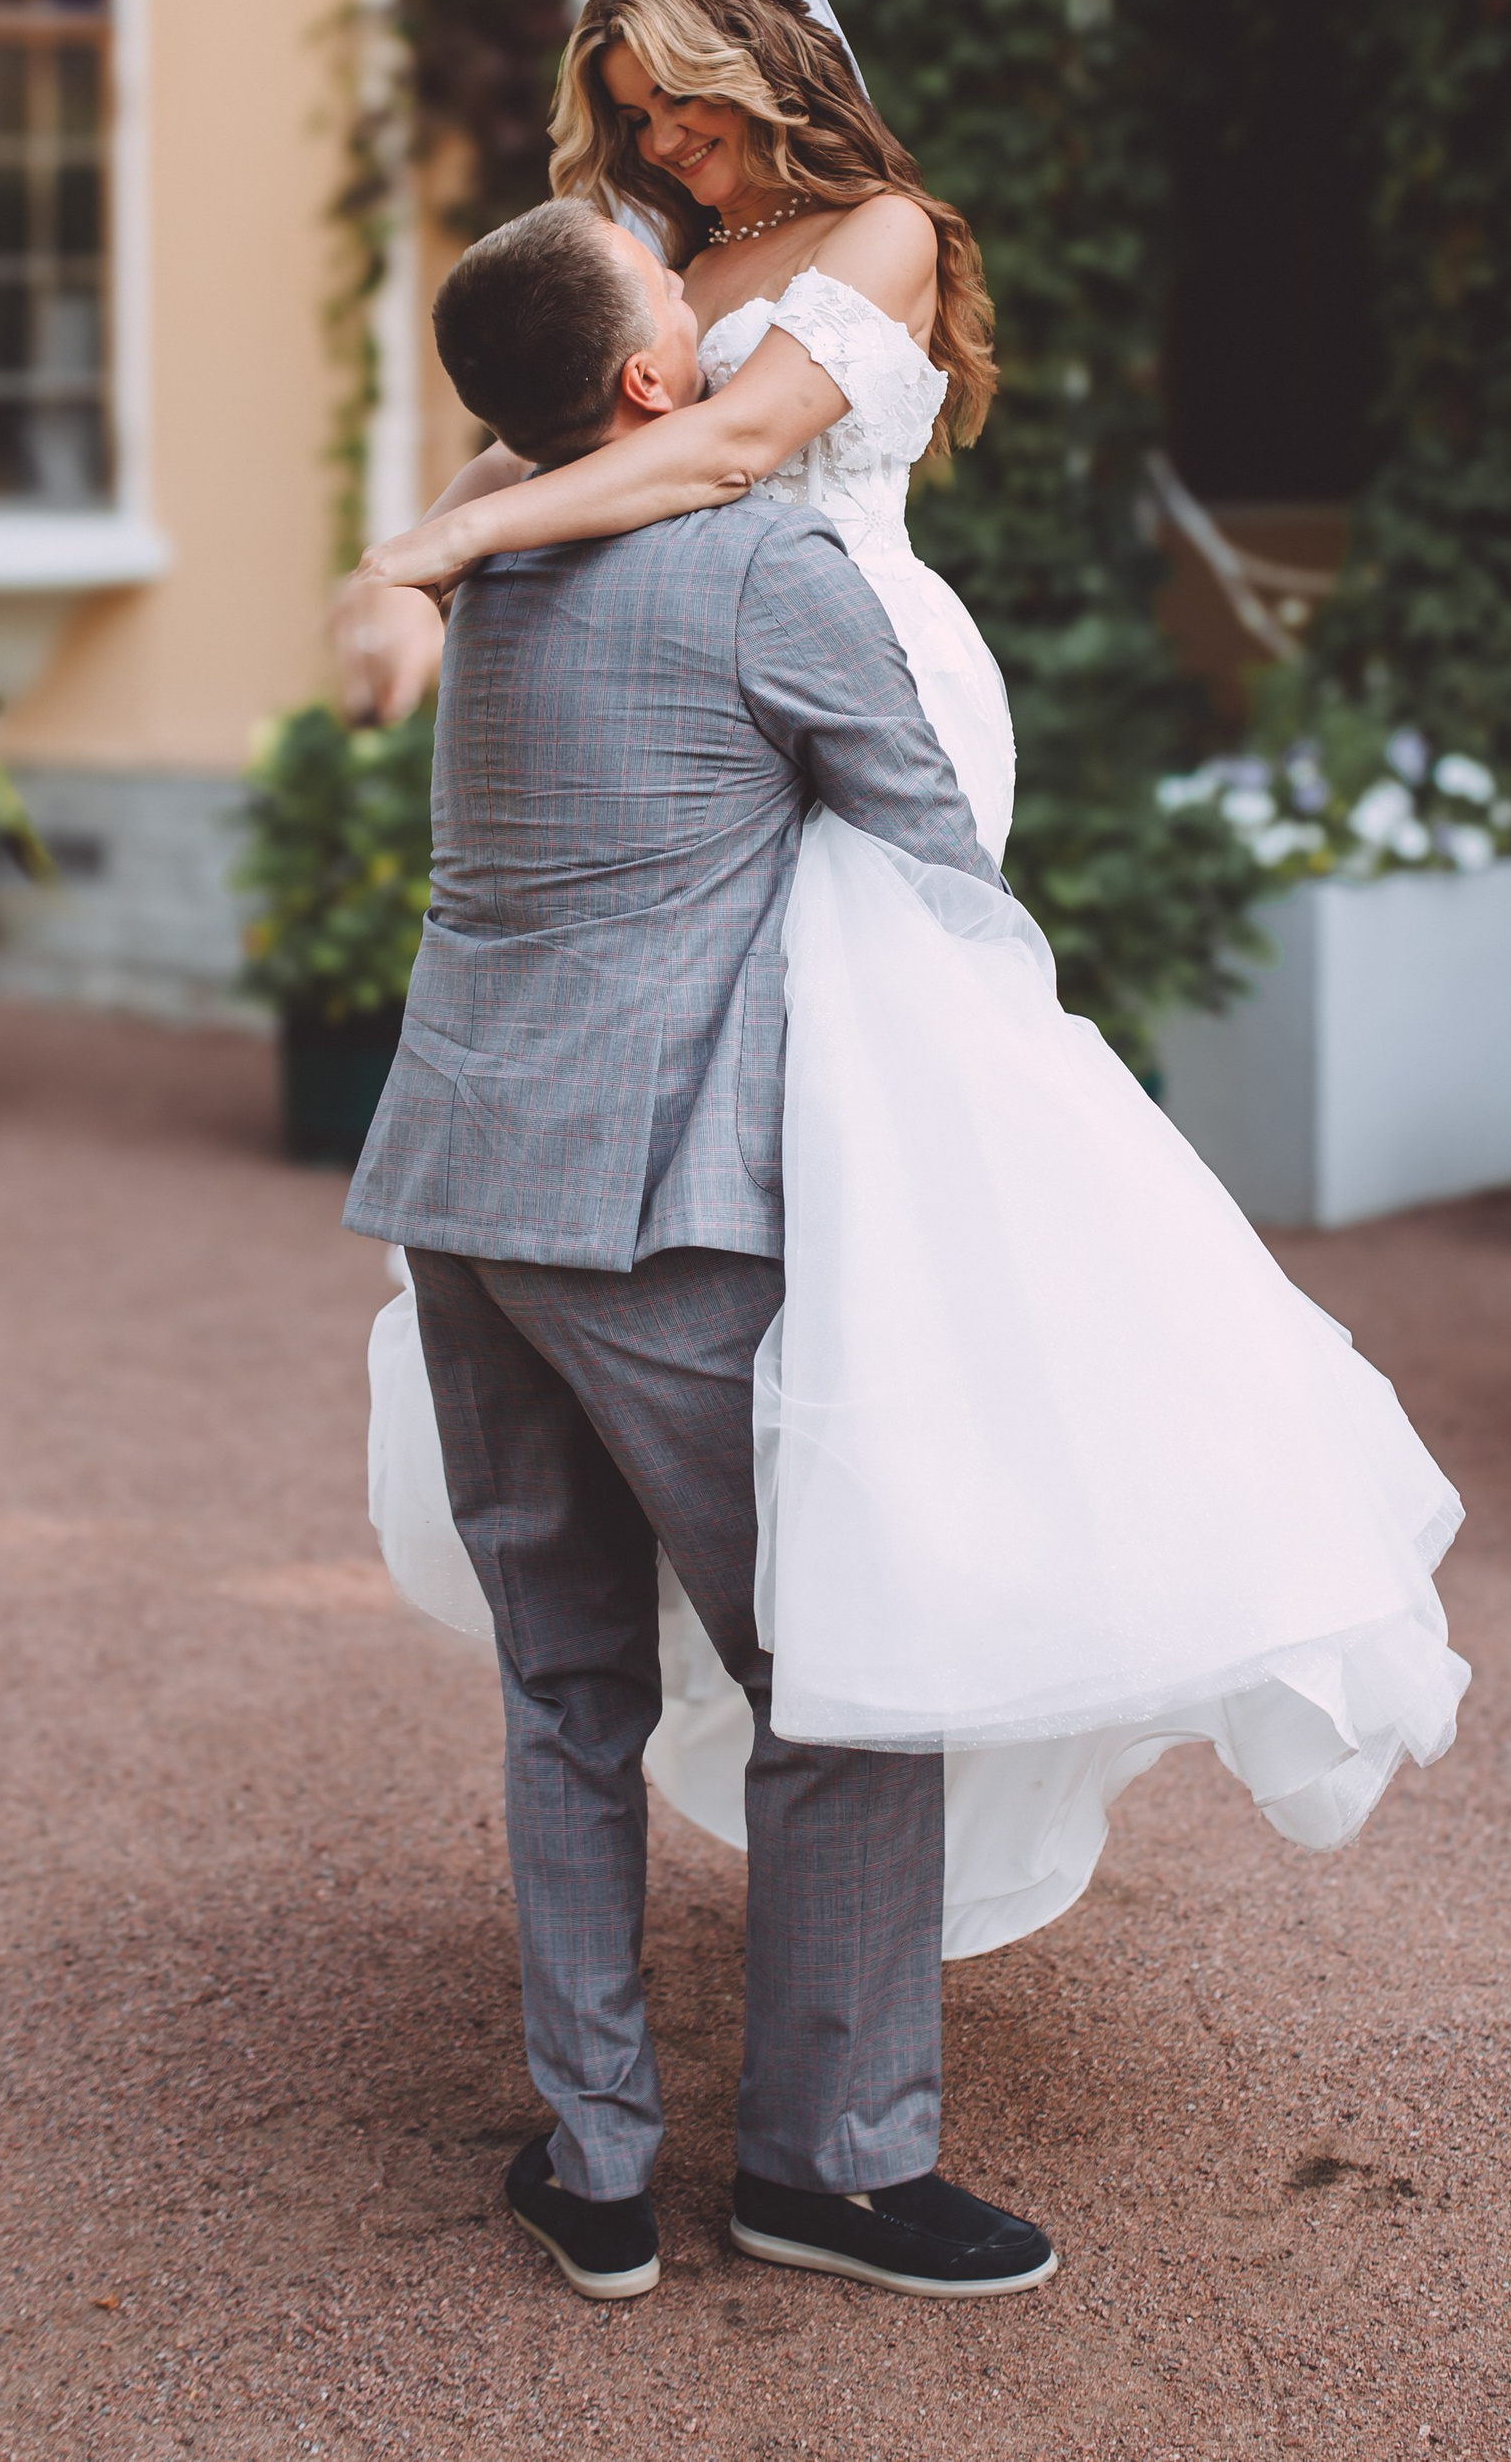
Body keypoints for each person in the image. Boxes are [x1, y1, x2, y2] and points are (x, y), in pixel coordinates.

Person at [345, 0, 1467, 2162]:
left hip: (810, 671)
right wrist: (420, 550)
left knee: (903, 1076)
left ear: (779, 68)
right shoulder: (640, 294)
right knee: (810, 1595)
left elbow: (732, 448)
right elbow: (597, 426)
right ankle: (831, 2142)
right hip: (747, 689)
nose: (662, 147)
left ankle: (610, 2139)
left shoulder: (862, 240)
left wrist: (448, 543)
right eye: (630, 114)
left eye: (686, 101)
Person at [343, 188, 1062, 2305]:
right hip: (656, 1215)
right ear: (653, 382)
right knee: (834, 1671)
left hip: (457, 1195)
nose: (725, 304)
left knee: (565, 1681)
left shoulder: (512, 570)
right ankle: (826, 2166)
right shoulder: (765, 564)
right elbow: (932, 857)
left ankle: (589, 2166)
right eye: (686, 298)